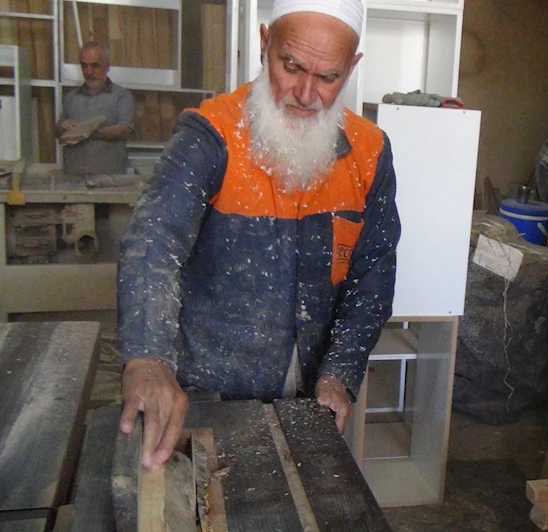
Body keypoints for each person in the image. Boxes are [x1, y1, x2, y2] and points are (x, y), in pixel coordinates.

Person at [117, 0, 400, 470]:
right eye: (291, 67)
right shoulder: (211, 134)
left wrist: (340, 373)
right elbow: (153, 243)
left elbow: (372, 273)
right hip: (207, 393)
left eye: (328, 77)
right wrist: (148, 359)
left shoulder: (369, 152)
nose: (305, 94)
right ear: (265, 44)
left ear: (352, 68)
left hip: (309, 398)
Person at [56, 42, 134, 175]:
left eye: (95, 65)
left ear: (107, 66)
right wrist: (62, 127)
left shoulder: (121, 96)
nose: (89, 72)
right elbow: (59, 132)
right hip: (73, 176)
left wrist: (86, 132)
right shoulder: (71, 97)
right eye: (84, 66)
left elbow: (124, 130)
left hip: (109, 179)